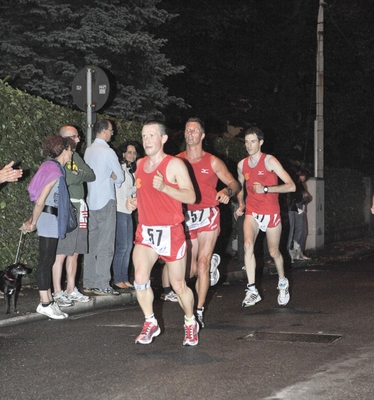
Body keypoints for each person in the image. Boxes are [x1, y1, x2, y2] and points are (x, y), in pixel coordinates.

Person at [126, 120, 198, 346]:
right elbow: (146, 194)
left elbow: (191, 197)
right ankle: (150, 321)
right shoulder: (139, 165)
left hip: (171, 232)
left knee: (178, 286)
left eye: (151, 136)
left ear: (163, 139)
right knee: (140, 276)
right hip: (146, 231)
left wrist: (166, 187)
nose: (146, 140)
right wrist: (134, 201)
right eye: (144, 136)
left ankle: (190, 321)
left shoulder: (175, 164)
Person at [178, 117, 240, 328]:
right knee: (190, 271)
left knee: (202, 265)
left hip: (208, 215)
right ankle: (211, 264)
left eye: (194, 130)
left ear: (202, 135)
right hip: (186, 217)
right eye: (187, 130)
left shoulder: (212, 161)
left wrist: (226, 191)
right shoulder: (177, 161)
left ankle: (199, 310)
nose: (190, 133)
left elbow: (235, 183)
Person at [236, 127, 295, 307]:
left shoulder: (270, 161)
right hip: (252, 210)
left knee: (274, 252)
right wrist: (241, 204)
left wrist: (267, 189)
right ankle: (252, 289)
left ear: (261, 142)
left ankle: (282, 281)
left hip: (270, 212)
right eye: (246, 142)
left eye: (253, 141)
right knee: (247, 245)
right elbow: (239, 187)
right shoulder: (242, 164)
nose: (249, 145)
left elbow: (291, 186)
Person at [21, 135, 77, 319]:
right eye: (71, 151)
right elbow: (41, 200)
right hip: (48, 219)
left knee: (48, 260)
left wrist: (32, 220)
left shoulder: (50, 167)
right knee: (46, 261)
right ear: (64, 150)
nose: (72, 155)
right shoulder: (54, 170)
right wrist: (34, 223)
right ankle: (44, 302)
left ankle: (48, 300)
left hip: (48, 218)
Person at [51, 126, 95, 307]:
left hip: (81, 208)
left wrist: (78, 174)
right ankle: (57, 291)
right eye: (75, 137)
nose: (79, 139)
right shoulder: (58, 158)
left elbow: (91, 175)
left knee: (75, 252)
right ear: (65, 140)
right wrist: (79, 175)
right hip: (68, 208)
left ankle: (71, 288)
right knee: (61, 252)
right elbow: (66, 179)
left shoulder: (76, 156)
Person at [83, 120, 124, 296]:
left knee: (91, 244)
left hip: (91, 201)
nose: (112, 134)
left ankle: (89, 282)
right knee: (106, 245)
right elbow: (120, 178)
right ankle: (102, 283)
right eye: (111, 131)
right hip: (106, 200)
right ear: (105, 131)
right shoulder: (108, 151)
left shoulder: (88, 150)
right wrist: (113, 176)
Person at [112, 140, 142, 291]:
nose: (132, 155)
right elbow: (123, 190)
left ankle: (124, 277)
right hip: (119, 209)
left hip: (129, 211)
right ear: (123, 153)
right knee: (122, 246)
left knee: (129, 246)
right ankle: (118, 279)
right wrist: (137, 186)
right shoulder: (120, 169)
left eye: (134, 153)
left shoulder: (133, 170)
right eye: (129, 152)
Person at [286, 169, 312, 262]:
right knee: (292, 231)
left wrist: (303, 198)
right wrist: (301, 199)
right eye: (302, 175)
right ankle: (290, 253)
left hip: (299, 208)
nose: (303, 178)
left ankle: (298, 252)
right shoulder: (293, 182)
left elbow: (307, 196)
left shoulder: (300, 184)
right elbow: (293, 196)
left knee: (302, 231)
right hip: (292, 208)